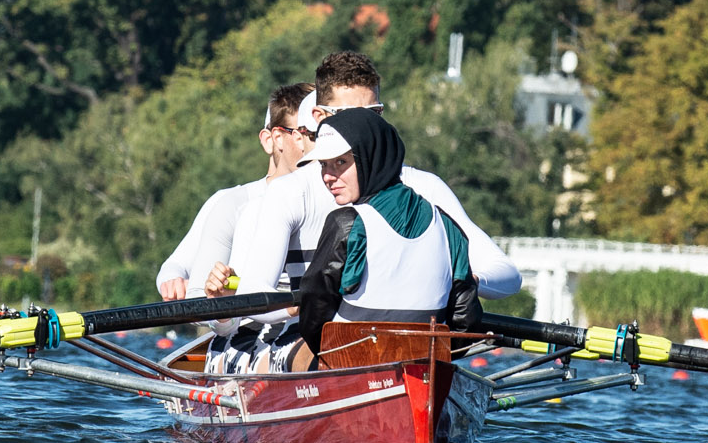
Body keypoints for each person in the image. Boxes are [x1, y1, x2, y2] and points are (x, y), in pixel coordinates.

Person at [217, 50, 522, 305]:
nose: (365, 130)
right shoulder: (290, 193)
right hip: (309, 340)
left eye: (372, 115)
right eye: (348, 116)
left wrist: (459, 278)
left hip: (397, 343)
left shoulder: (423, 188)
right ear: (319, 119)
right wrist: (311, 305)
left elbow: (506, 274)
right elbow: (254, 297)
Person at [289, 108, 481, 357]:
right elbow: (465, 326)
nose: (327, 176)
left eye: (341, 162)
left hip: (350, 363)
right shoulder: (447, 226)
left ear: (372, 157)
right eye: (324, 165)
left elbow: (312, 316)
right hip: (424, 368)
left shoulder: (347, 223)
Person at [156, 82, 317, 300]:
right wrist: (175, 281)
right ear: (271, 140)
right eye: (305, 134)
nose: (312, 145)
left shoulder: (340, 197)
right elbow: (177, 266)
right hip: (248, 328)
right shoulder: (233, 203)